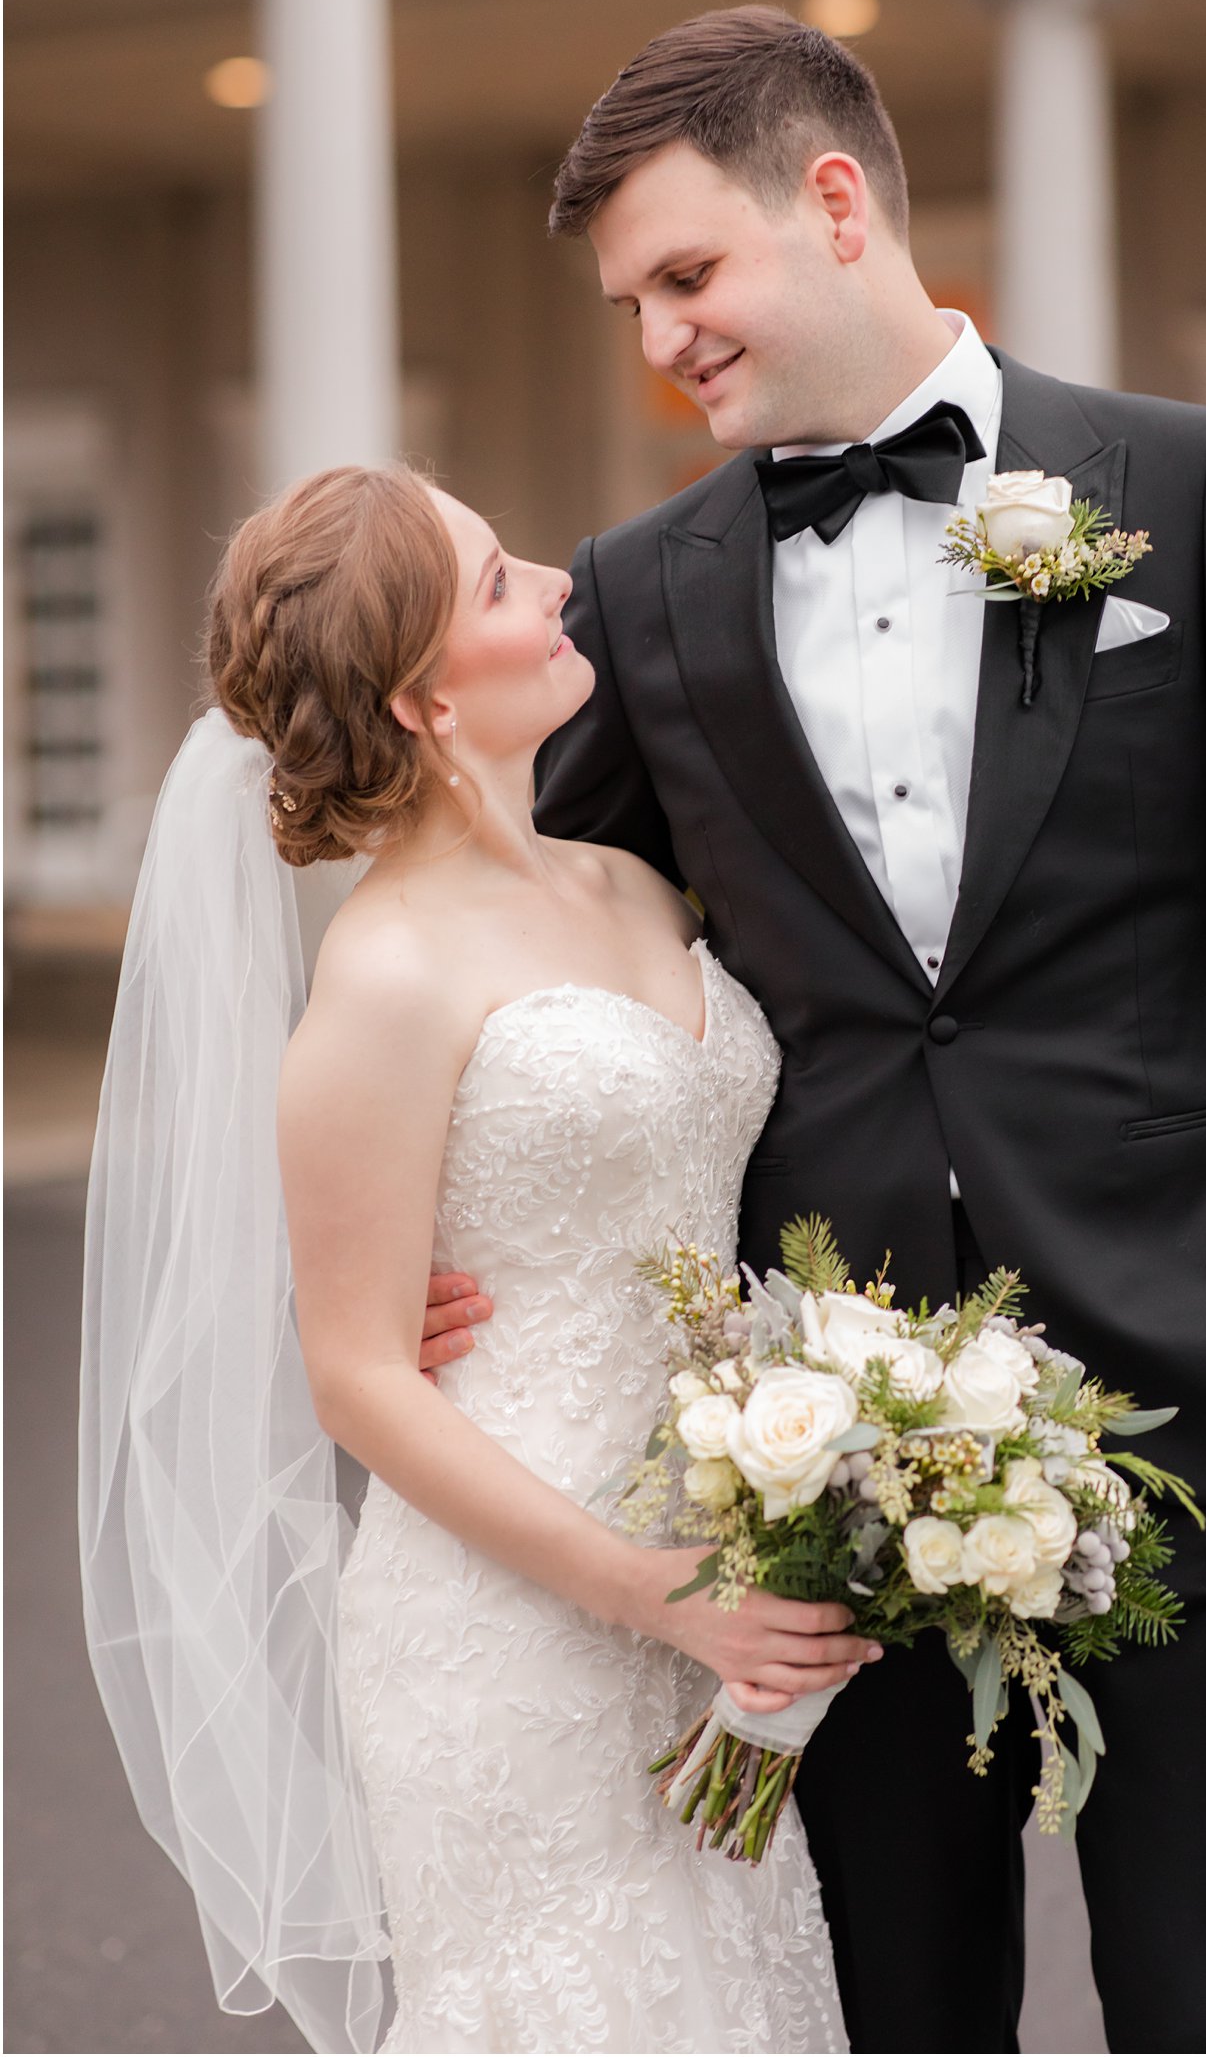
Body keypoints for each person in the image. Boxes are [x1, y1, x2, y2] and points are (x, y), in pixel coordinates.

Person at [451, 4, 1206, 2054]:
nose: (660, 342)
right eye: (630, 303)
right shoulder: (639, 595)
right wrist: (471, 1233)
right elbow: (548, 948)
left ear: (832, 202)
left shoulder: (1195, 481)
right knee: (903, 2009)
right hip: (825, 1451)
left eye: (686, 278)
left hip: (1203, 1391)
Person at [80, 464, 851, 2054]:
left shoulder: (631, 876)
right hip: (522, 1632)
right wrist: (661, 1596)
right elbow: (357, 1374)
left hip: (722, 1560)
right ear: (426, 697)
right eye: (501, 580)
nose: (561, 585)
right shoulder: (383, 975)